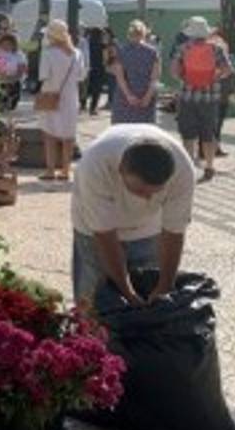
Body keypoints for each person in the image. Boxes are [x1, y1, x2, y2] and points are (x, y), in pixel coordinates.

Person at [70, 125, 195, 305]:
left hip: (147, 228)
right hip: (93, 230)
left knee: (149, 292)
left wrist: (165, 285)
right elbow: (104, 235)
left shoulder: (183, 172)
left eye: (156, 192)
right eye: (140, 191)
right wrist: (126, 291)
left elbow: (174, 233)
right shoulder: (95, 164)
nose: (147, 198)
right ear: (120, 170)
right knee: (95, 298)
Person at [170, 16, 232, 183]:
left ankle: (189, 168)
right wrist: (214, 77)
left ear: (190, 32)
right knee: (208, 134)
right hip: (210, 98)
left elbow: (174, 71)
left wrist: (185, 77)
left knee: (188, 135)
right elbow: (227, 70)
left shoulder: (183, 48)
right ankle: (209, 167)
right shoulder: (217, 48)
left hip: (188, 97)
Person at [37, 19, 85, 181]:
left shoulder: (48, 53)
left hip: (50, 95)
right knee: (68, 136)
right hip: (71, 97)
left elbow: (43, 75)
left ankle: (50, 170)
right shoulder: (77, 53)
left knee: (49, 134)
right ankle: (66, 170)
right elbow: (81, 76)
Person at [110, 20, 160, 125]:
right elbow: (155, 78)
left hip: (124, 98)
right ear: (144, 33)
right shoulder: (153, 52)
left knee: (123, 130)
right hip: (145, 96)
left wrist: (129, 95)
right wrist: (147, 97)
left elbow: (120, 77)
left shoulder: (122, 51)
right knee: (144, 131)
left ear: (129, 34)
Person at [209, 28, 235, 157]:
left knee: (217, 123)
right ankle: (211, 148)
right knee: (213, 123)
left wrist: (233, 93)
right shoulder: (212, 55)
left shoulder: (227, 57)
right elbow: (234, 75)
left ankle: (214, 147)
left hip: (221, 94)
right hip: (214, 94)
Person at [83, 27, 109, 116]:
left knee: (87, 87)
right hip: (99, 68)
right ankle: (93, 108)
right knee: (97, 89)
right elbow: (105, 57)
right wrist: (105, 65)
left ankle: (83, 105)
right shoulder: (103, 45)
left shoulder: (87, 43)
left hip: (89, 68)